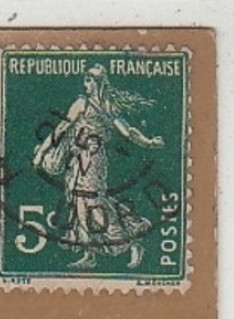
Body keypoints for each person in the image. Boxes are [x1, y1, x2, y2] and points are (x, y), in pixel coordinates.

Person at [31, 64, 166, 270]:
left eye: (89, 80)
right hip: (79, 159)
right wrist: (42, 151)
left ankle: (131, 243)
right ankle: (90, 254)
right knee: (79, 203)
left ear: (98, 83)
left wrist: (148, 142)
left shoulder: (106, 105)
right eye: (85, 80)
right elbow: (62, 128)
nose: (86, 84)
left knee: (94, 202)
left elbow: (127, 131)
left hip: (94, 160)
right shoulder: (81, 103)